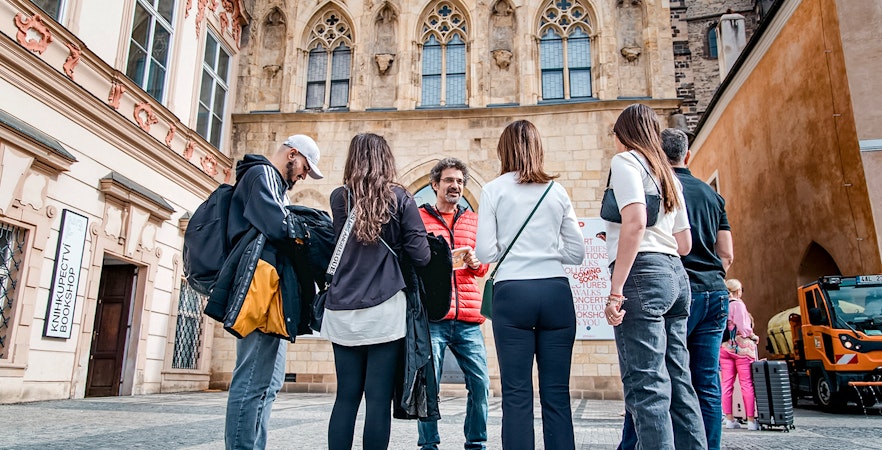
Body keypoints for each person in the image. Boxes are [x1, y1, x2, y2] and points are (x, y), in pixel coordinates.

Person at [618, 128, 734, 450]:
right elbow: (727, 253)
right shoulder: (713, 196)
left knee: (651, 375)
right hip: (714, 291)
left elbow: (644, 228)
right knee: (701, 381)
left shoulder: (659, 182)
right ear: (688, 155)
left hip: (675, 284)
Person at [476, 120, 585, 449]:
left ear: (503, 150)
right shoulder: (557, 190)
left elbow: (484, 252)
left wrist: (512, 251)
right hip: (555, 292)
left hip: (513, 293)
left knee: (516, 393)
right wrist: (549, 253)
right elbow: (577, 253)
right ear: (538, 149)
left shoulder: (493, 190)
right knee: (557, 394)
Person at [602, 104, 706, 450]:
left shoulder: (626, 162)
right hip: (675, 275)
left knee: (646, 384)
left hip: (642, 275)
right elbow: (685, 242)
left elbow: (635, 221)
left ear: (624, 134)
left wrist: (616, 291)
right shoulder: (668, 173)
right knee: (679, 379)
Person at [322, 133, 431, 450]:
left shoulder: (339, 198)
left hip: (342, 307)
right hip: (384, 307)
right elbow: (421, 255)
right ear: (386, 159)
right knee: (378, 399)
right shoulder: (401, 198)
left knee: (346, 396)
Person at [224, 134, 324, 450]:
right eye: (305, 168)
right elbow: (277, 226)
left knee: (269, 383)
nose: (304, 176)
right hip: (260, 294)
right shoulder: (262, 174)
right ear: (292, 154)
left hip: (271, 296)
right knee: (253, 381)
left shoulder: (273, 184)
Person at [417, 158, 490, 450]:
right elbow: (412, 263)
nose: (455, 186)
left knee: (480, 383)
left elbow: (484, 268)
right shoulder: (419, 218)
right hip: (434, 315)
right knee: (429, 384)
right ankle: (429, 445)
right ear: (435, 184)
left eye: (460, 182)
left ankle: (476, 443)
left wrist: (475, 262)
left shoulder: (473, 220)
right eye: (449, 180)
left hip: (469, 318)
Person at [720, 278, 759, 431]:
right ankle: (750, 421)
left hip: (724, 347)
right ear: (738, 291)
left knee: (726, 385)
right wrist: (753, 336)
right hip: (741, 348)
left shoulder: (721, 303)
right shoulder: (738, 304)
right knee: (747, 384)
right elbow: (744, 328)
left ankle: (729, 419)